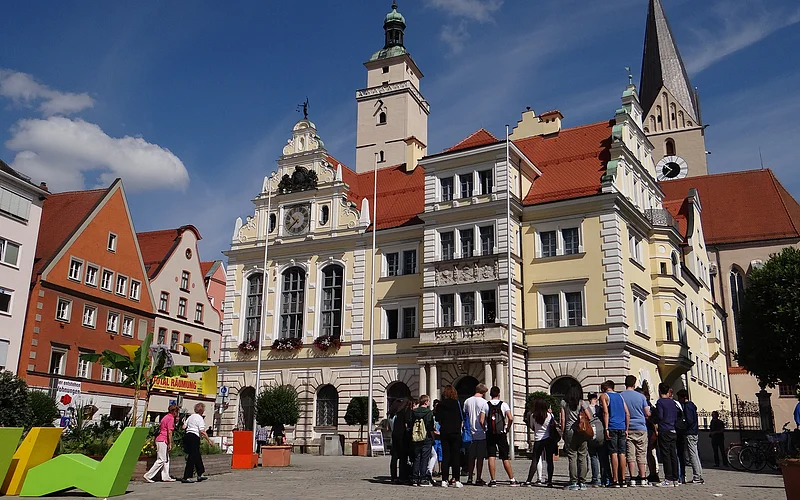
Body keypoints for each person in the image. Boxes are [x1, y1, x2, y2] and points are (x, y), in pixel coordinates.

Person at [620, 376, 651, 487]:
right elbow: (647, 413)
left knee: (630, 454)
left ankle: (632, 478)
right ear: (634, 384)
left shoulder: (621, 396)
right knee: (641, 453)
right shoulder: (641, 397)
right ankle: (643, 478)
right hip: (641, 427)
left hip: (628, 427)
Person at [561, 385, 592, 490]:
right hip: (582, 431)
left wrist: (563, 432)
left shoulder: (564, 403)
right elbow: (589, 416)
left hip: (569, 431)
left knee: (572, 456)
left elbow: (563, 419)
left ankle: (573, 482)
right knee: (582, 456)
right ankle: (582, 482)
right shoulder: (582, 403)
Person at [485, 386, 518, 486]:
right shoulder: (504, 404)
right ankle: (512, 479)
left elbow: (481, 420)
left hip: (490, 433)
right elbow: (510, 418)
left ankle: (493, 480)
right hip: (501, 433)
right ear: (499, 394)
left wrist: (485, 429)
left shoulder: (486, 405)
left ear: (490, 394)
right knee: (505, 457)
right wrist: (507, 428)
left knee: (491, 456)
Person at [600, 380, 630, 488]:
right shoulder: (620, 397)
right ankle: (623, 479)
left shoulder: (604, 396)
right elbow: (627, 413)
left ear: (604, 388)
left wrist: (606, 428)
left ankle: (615, 479)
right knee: (622, 453)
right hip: (622, 427)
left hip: (612, 426)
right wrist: (626, 428)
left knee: (613, 453)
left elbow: (605, 412)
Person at [434, 385, 463, 487]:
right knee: (456, 456)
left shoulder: (441, 404)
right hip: (455, 432)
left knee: (445, 456)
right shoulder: (456, 403)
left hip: (445, 432)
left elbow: (437, 418)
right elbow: (461, 418)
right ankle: (457, 480)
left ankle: (444, 480)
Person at [524, 398, 556, 487]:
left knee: (535, 460)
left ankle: (529, 480)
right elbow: (552, 426)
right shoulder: (549, 415)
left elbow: (532, 426)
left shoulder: (533, 416)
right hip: (548, 439)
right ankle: (549, 481)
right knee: (549, 460)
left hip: (538, 439)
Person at [144, 404, 179, 483]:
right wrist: (170, 443)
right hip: (163, 439)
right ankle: (148, 475)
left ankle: (166, 476)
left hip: (159, 439)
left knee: (166, 459)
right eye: (177, 412)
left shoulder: (165, 417)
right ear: (174, 411)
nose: (177, 414)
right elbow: (169, 432)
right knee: (161, 459)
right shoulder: (170, 418)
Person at [463, 383, 489, 486]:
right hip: (481, 432)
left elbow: (465, 415)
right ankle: (478, 477)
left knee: (471, 457)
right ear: (483, 392)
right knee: (480, 457)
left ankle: (470, 477)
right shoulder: (484, 403)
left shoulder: (467, 401)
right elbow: (485, 418)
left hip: (470, 433)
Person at [676, 389, 703, 484]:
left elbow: (689, 420)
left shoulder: (687, 406)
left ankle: (697, 476)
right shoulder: (692, 405)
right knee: (695, 454)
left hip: (690, 433)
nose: (679, 400)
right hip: (694, 432)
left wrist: (682, 427)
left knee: (692, 455)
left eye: (679, 398)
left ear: (684, 397)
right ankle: (699, 475)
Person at [655, 383, 679, 487]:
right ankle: (676, 478)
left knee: (666, 455)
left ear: (659, 390)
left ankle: (668, 478)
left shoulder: (660, 402)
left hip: (664, 429)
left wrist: (654, 419)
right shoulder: (672, 402)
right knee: (673, 454)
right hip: (673, 429)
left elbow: (660, 416)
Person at [182, 403, 213, 483]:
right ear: (202, 411)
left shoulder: (190, 417)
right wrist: (209, 440)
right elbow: (202, 431)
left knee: (197, 455)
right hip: (194, 437)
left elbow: (184, 426)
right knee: (192, 457)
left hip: (187, 436)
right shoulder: (200, 418)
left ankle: (200, 473)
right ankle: (187, 476)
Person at [411, 394, 435, 487]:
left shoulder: (414, 412)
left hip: (416, 437)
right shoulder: (429, 412)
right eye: (428, 401)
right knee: (425, 458)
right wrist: (433, 437)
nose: (429, 402)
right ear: (426, 402)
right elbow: (430, 427)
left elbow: (410, 424)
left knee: (417, 457)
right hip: (426, 437)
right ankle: (422, 479)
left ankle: (414, 478)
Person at [638, 384, 660, 484]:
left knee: (649, 453)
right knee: (649, 453)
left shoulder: (646, 405)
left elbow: (651, 417)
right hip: (649, 430)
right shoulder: (649, 404)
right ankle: (652, 473)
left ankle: (653, 473)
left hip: (648, 431)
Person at [389, 397, 412, 484]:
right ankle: (402, 477)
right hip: (402, 436)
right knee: (403, 457)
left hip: (395, 435)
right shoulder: (406, 411)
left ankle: (393, 476)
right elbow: (406, 424)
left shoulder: (397, 413)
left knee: (394, 457)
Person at [586, 392, 603, 487]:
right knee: (602, 456)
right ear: (596, 399)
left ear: (589, 399)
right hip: (601, 433)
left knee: (593, 456)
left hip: (590, 433)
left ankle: (595, 478)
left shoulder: (586, 409)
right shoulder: (600, 409)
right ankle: (604, 478)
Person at [428, 400, 442, 479]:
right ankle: (433, 470)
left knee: (440, 454)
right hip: (434, 437)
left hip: (440, 437)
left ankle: (440, 470)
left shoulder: (441, 414)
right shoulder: (431, 414)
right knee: (433, 454)